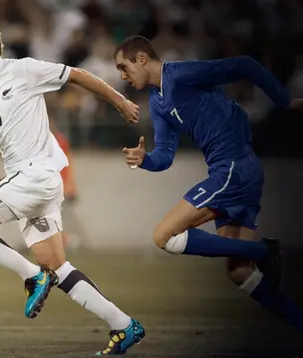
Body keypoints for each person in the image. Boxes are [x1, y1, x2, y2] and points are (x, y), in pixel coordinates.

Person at [0, 16, 144, 356]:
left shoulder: (22, 70)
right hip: (33, 183)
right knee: (57, 264)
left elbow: (77, 74)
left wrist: (119, 101)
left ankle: (32, 276)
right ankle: (123, 325)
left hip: (36, 175)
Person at [115, 35, 303, 336]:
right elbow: (164, 156)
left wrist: (283, 101)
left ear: (140, 58)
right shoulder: (157, 100)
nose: (122, 76)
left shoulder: (180, 75)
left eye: (124, 67)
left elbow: (244, 65)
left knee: (163, 235)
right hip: (238, 170)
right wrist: (144, 159)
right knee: (239, 272)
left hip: (233, 167)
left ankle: (264, 251)